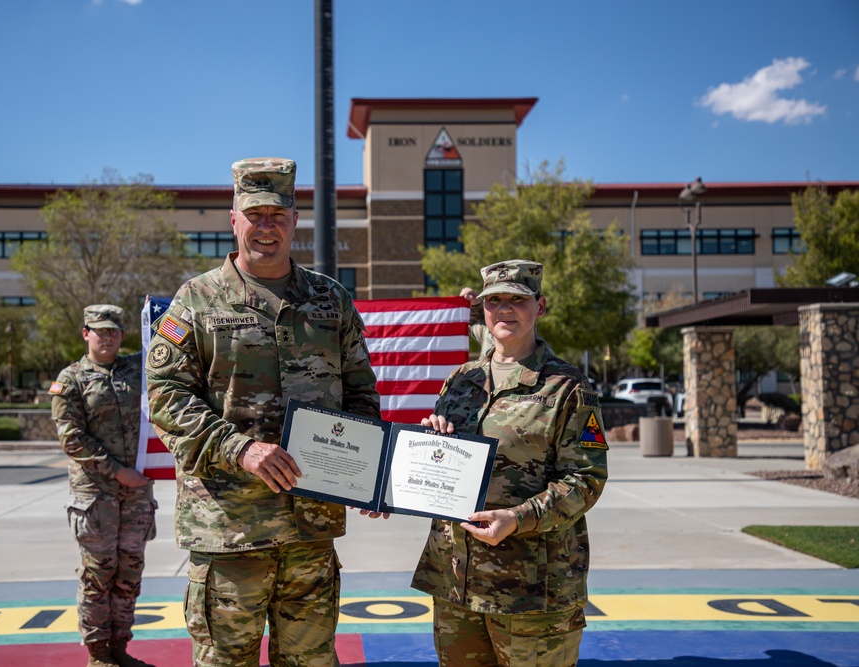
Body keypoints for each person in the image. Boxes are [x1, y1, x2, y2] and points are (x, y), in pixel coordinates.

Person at [144, 157, 381, 666]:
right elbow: (166, 397)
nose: (266, 226)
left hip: (310, 531)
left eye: (278, 214)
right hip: (231, 530)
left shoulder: (330, 300)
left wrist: (369, 471)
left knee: (312, 661)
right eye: (255, 214)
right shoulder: (196, 300)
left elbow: (361, 393)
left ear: (295, 220)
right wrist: (241, 450)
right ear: (234, 219)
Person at [412, 260, 609, 667]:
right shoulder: (461, 380)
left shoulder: (567, 387)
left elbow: (585, 479)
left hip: (531, 590)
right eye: (494, 301)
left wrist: (518, 518)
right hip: (456, 582)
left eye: (517, 300)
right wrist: (433, 438)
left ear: (539, 306)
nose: (504, 309)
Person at [51, 304, 157, 667]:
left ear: (122, 335)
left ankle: (120, 648)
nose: (107, 337)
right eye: (99, 330)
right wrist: (116, 471)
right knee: (98, 573)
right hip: (95, 496)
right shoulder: (71, 379)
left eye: (113, 331)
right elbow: (72, 439)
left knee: (129, 573)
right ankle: (98, 654)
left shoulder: (137, 371)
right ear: (85, 333)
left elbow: (168, 357)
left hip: (137, 494)